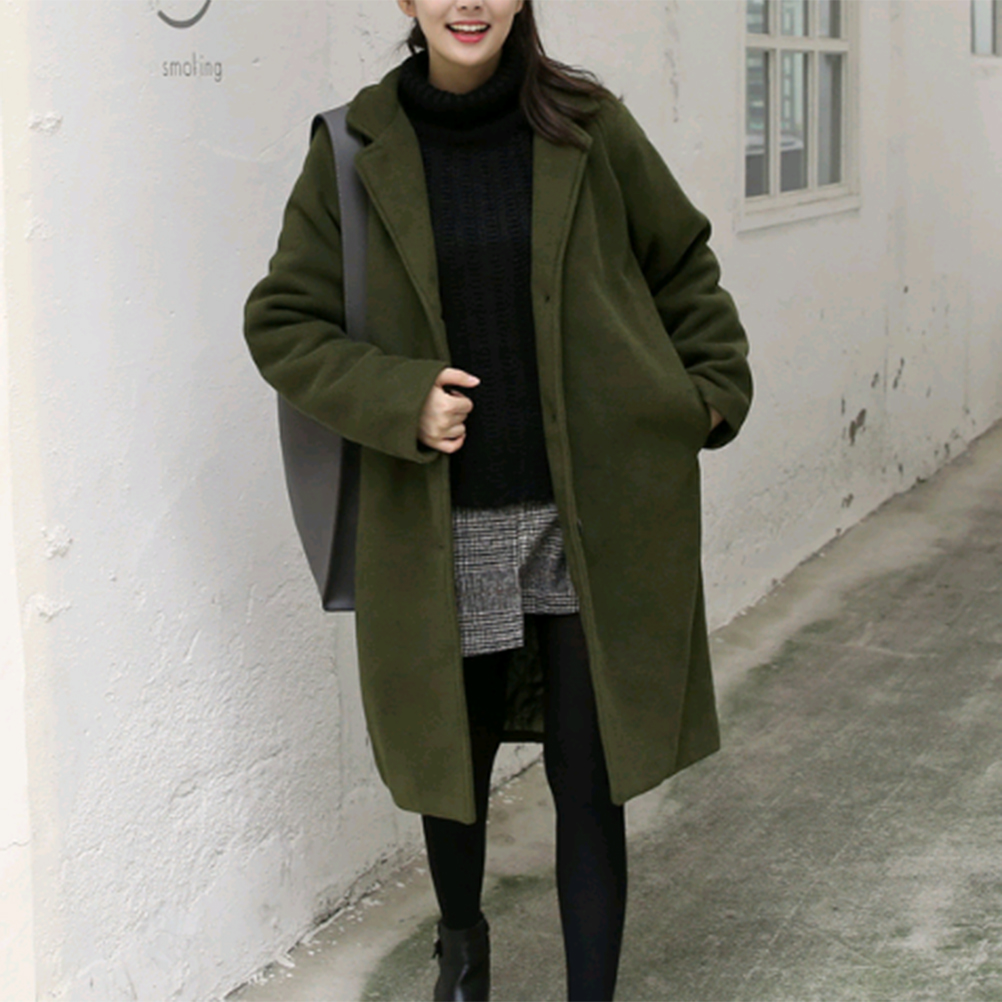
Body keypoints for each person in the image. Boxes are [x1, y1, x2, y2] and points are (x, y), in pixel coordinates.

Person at [244, 1, 752, 998]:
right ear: (407, 1)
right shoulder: (353, 146)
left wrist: (709, 391)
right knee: (456, 767)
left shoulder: (589, 126)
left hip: (591, 513)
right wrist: (401, 397)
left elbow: (682, 262)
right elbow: (285, 322)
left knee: (589, 776)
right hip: (445, 521)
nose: (467, 2)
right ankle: (463, 948)